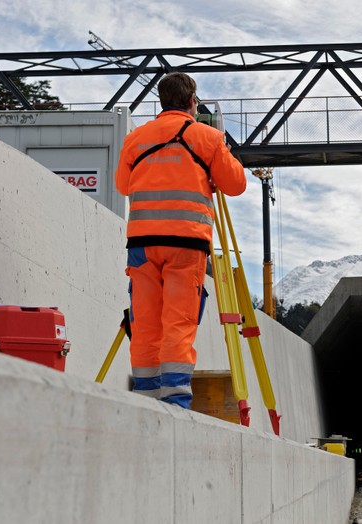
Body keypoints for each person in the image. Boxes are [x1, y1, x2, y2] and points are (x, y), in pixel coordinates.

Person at [115, 72, 246, 409]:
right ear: (192, 101)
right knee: (179, 321)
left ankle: (144, 394)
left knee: (144, 320)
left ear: (161, 101)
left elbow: (123, 185)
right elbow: (235, 185)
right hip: (186, 244)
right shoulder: (208, 137)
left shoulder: (136, 138)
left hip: (142, 244)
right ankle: (174, 399)